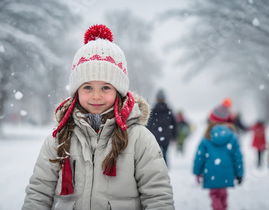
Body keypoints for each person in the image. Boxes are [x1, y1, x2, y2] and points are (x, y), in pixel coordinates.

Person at [22, 24, 174, 209]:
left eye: (105, 87)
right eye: (87, 87)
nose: (96, 96)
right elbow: (39, 194)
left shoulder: (139, 138)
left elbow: (157, 196)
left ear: (119, 92)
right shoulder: (59, 138)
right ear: (76, 91)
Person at [193, 102, 244, 210]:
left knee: (215, 195)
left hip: (211, 171)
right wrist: (239, 173)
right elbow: (237, 157)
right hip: (227, 171)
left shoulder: (207, 136)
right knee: (223, 194)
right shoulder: (232, 135)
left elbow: (200, 156)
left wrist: (197, 172)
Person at [147, 89, 177, 167]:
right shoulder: (169, 110)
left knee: (156, 154)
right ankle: (165, 168)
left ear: (156, 98)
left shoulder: (153, 110)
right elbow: (174, 124)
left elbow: (148, 124)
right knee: (165, 154)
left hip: (155, 136)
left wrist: (147, 135)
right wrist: (174, 136)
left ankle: (157, 168)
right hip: (166, 136)